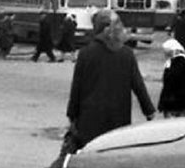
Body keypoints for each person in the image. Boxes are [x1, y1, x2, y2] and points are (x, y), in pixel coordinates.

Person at [63, 9, 155, 154]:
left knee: (90, 156)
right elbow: (138, 85)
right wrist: (148, 111)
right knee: (112, 156)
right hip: (118, 119)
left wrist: (72, 114)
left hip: (89, 120)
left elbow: (77, 88)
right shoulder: (126, 54)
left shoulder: (86, 54)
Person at [158, 38, 185, 118]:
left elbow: (169, 84)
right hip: (183, 101)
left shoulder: (175, 63)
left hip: (172, 102)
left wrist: (162, 103)